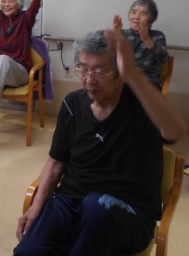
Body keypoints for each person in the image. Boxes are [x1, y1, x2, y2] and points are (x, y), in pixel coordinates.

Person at [14, 27, 186, 256]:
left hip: (129, 211)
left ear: (120, 72)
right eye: (83, 69)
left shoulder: (142, 105)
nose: (89, 79)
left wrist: (134, 75)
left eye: (100, 71)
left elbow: (175, 131)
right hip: (72, 202)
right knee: (29, 250)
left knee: (96, 207)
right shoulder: (72, 105)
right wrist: (35, 209)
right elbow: (55, 163)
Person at [113, 0, 169, 88]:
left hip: (147, 83)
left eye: (142, 14)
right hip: (123, 81)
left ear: (151, 20)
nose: (136, 17)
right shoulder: (122, 33)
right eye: (134, 12)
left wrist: (147, 39)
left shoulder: (157, 35)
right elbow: (110, 62)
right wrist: (115, 39)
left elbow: (164, 59)